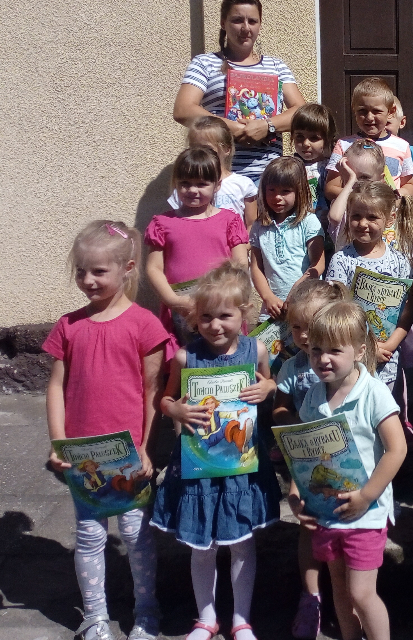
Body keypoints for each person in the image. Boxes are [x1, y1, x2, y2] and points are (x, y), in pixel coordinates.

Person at [44, 221, 168, 640]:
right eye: (81, 271)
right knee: (89, 535)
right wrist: (58, 442)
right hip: (84, 456)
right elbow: (56, 386)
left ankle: (146, 611)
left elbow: (153, 391)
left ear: (127, 268)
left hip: (129, 453)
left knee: (136, 534)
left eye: (99, 271)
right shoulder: (68, 326)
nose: (88, 280)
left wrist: (148, 447)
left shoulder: (145, 325)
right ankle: (95, 616)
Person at [152, 263, 279, 640]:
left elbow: (271, 384)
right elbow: (165, 399)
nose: (215, 325)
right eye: (206, 317)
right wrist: (176, 410)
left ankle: (241, 619)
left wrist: (268, 388)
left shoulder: (256, 351)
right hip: (199, 467)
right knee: (202, 547)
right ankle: (206, 618)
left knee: (241, 544)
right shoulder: (184, 358)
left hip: (242, 466)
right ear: (195, 318)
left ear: (244, 314)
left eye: (225, 315)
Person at [286, 301, 407, 640]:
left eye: (335, 350)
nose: (323, 359)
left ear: (360, 350)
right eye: (316, 350)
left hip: (366, 513)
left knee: (361, 592)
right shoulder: (313, 395)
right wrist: (296, 494)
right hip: (327, 511)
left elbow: (397, 449)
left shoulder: (374, 393)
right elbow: (303, 451)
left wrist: (367, 496)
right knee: (339, 586)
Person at [271, 280, 348, 639]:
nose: (302, 336)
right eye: (296, 327)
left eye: (310, 326)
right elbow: (279, 409)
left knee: (346, 527)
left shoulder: (347, 363)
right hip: (306, 460)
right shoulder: (292, 367)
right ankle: (311, 596)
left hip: (346, 463)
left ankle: (347, 595)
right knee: (309, 527)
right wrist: (298, 427)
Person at [172, 0, 305, 183]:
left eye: (252, 21)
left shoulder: (276, 66)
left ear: (260, 25)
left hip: (269, 178)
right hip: (218, 176)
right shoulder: (204, 63)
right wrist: (232, 128)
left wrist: (266, 126)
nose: (245, 28)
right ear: (223, 23)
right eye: (237, 20)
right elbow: (183, 109)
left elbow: (301, 113)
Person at [145, 147, 249, 345]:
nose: (192, 190)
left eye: (201, 184)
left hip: (223, 307)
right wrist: (174, 301)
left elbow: (240, 264)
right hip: (182, 309)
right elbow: (153, 268)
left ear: (217, 185)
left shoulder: (230, 220)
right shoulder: (162, 223)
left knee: (228, 355)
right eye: (185, 183)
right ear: (176, 183)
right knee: (187, 358)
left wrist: (225, 299)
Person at [325, 181, 413, 390]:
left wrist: (391, 344)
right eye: (356, 216)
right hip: (351, 357)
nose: (363, 223)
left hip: (386, 359)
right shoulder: (342, 260)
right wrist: (368, 347)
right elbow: (335, 311)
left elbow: (407, 311)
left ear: (390, 219)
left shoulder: (400, 261)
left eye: (372, 217)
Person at [249, 156, 325, 321]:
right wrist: (268, 297)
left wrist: (296, 291)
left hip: (306, 306)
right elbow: (256, 267)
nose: (277, 197)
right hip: (271, 310)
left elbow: (318, 264)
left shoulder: (309, 221)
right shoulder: (259, 226)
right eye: (271, 190)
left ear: (299, 191)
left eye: (285, 191)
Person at [324, 77, 413, 201]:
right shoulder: (343, 145)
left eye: (376, 111)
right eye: (362, 111)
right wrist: (361, 198)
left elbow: (409, 185)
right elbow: (331, 188)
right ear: (354, 109)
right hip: (355, 211)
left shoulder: (402, 146)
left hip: (389, 210)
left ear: (391, 112)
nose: (369, 117)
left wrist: (398, 195)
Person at [168, 117, 259, 229]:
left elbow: (251, 224)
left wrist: (244, 241)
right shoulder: (185, 189)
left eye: (207, 148)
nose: (200, 153)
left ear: (226, 149)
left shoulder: (242, 184)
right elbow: (176, 224)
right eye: (194, 148)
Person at [290, 103, 338, 221]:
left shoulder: (332, 168)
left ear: (327, 139)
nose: (306, 143)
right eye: (300, 136)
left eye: (314, 138)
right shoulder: (289, 167)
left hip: (326, 225)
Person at [386, 97, 413, 190]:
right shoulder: (363, 149)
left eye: (387, 123)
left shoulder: (409, 150)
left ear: (401, 122)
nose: (381, 127)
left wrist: (405, 185)